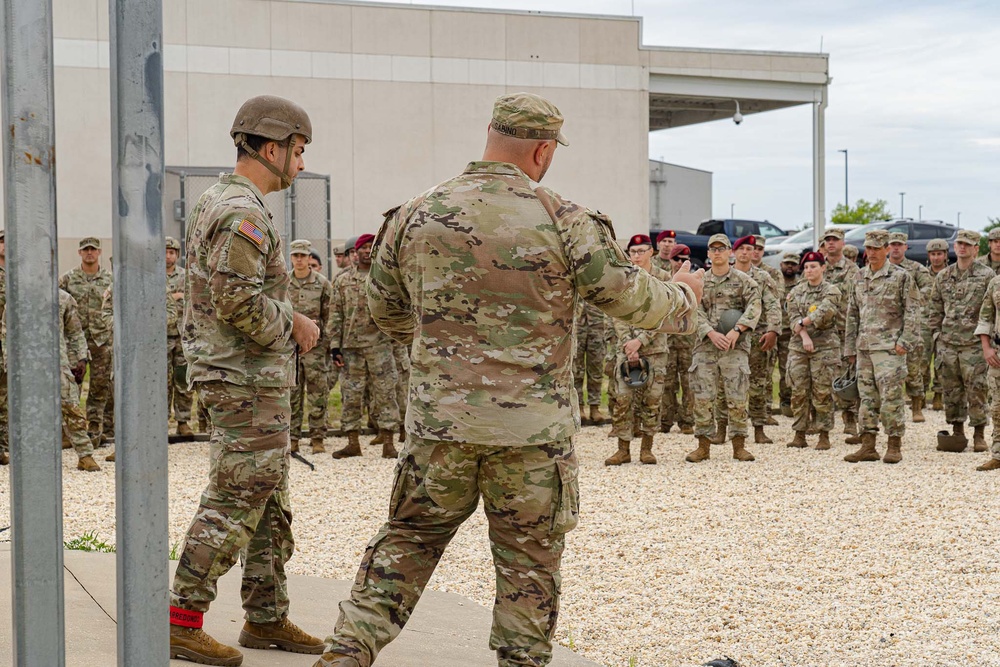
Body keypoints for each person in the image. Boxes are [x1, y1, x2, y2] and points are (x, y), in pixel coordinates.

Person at [313, 92, 702, 667]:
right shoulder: (564, 219)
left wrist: (443, 353)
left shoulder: (415, 214)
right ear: (543, 150)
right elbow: (633, 300)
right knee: (529, 559)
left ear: (490, 136)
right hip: (530, 434)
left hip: (440, 425)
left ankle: (348, 651)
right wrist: (685, 297)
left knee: (409, 540)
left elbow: (386, 311)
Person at [168, 95, 324, 665]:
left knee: (268, 499)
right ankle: (180, 618)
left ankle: (265, 617)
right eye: (299, 151)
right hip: (243, 380)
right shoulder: (243, 212)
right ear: (271, 147)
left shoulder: (223, 200)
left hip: (248, 377)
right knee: (237, 498)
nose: (302, 164)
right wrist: (297, 324)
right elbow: (238, 301)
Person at [843, 229, 919, 464]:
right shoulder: (858, 277)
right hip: (864, 348)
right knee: (866, 399)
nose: (872, 253)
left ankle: (894, 444)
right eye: (869, 248)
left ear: (887, 249)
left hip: (889, 349)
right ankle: (868, 445)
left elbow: (913, 311)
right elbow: (852, 314)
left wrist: (905, 342)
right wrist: (850, 348)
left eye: (877, 248)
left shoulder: (901, 276)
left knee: (892, 398)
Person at [686, 233, 761, 463]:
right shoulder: (699, 281)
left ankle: (739, 445)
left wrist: (736, 330)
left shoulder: (744, 281)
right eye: (713, 249)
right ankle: (703, 446)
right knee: (703, 396)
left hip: (734, 347)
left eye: (722, 248)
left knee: (737, 395)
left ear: (730, 252)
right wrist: (710, 332)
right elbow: (692, 309)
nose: (717, 252)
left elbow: (754, 306)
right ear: (708, 254)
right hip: (706, 346)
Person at [327, 233, 401, 459]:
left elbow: (397, 311)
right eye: (363, 248)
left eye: (371, 247)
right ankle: (352, 443)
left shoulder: (385, 279)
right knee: (351, 394)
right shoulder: (341, 280)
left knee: (386, 392)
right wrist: (334, 347)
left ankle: (389, 442)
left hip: (380, 346)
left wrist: (397, 342)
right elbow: (335, 314)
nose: (367, 251)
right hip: (351, 348)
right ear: (355, 252)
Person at [606, 234, 672, 466]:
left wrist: (641, 340)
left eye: (641, 251)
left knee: (652, 400)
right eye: (633, 252)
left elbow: (664, 312)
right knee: (623, 398)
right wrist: (628, 343)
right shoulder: (622, 278)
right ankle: (623, 449)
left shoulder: (663, 278)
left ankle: (647, 448)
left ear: (651, 252)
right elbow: (616, 311)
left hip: (654, 350)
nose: (637, 256)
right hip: (626, 350)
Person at [928, 230, 993, 451]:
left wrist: (989, 342)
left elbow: (992, 310)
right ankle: (957, 431)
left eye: (967, 244)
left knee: (977, 390)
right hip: (948, 344)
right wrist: (937, 337)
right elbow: (935, 309)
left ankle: (979, 434)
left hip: (973, 345)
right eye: (959, 244)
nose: (962, 247)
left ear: (976, 249)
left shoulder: (987, 276)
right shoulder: (943, 276)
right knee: (951, 391)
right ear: (954, 248)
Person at [59, 237, 114, 445]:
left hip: (101, 341)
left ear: (99, 252)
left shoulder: (109, 279)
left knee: (99, 388)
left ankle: (94, 430)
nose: (89, 253)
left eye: (93, 249)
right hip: (75, 342)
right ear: (79, 253)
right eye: (85, 250)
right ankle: (69, 432)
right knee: (72, 388)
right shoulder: (68, 279)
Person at [784, 252, 841, 449]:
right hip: (800, 346)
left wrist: (802, 322)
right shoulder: (796, 292)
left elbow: (824, 312)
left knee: (822, 390)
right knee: (798, 390)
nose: (809, 271)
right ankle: (799, 434)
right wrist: (804, 334)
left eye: (814, 266)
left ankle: (824, 434)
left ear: (823, 268)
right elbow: (791, 317)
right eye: (806, 267)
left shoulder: (832, 290)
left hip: (825, 346)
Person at [288, 239, 333, 454]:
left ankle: (317, 438)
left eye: (302, 256)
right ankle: (292, 438)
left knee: (318, 394)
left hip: (315, 349)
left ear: (309, 258)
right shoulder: (283, 283)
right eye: (295, 255)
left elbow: (329, 316)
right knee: (292, 395)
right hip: (290, 349)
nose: (299, 259)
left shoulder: (323, 284)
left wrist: (325, 342)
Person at [737, 236, 781, 443]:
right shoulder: (725, 275)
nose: (746, 252)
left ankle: (758, 428)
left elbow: (773, 304)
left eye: (749, 249)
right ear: (733, 252)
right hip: (730, 337)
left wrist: (773, 330)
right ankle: (723, 427)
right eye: (741, 249)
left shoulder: (763, 277)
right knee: (726, 384)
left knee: (758, 384)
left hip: (757, 336)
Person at [887, 231, 933, 422]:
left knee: (914, 368)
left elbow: (928, 289)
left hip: (911, 325)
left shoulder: (916, 269)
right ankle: (888, 408)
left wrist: (909, 302)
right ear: (887, 247)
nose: (896, 248)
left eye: (900, 244)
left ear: (906, 247)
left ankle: (916, 407)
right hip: (886, 327)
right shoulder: (880, 269)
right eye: (893, 244)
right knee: (887, 370)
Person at [822, 227, 862, 442]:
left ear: (843, 243)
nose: (831, 244)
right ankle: (820, 424)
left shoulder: (853, 270)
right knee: (822, 376)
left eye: (835, 240)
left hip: (845, 331)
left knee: (848, 376)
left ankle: (850, 419)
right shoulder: (818, 267)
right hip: (822, 332)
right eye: (827, 240)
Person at [660, 243, 695, 434]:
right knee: (666, 381)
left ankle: (687, 420)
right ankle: (665, 420)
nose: (680, 263)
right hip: (666, 339)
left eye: (684, 259)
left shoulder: (692, 279)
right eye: (677, 259)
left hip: (687, 340)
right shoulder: (661, 278)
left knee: (688, 381)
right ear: (670, 259)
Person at [165, 236, 194, 436]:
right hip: (161, 336)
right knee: (162, 381)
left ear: (177, 255)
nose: (168, 256)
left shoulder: (186, 277)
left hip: (183, 335)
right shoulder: (151, 277)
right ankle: (161, 420)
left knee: (183, 379)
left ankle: (183, 421)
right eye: (165, 252)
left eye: (172, 252)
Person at [974, 271, 1000, 471]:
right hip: (998, 354)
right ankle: (998, 454)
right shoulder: (996, 282)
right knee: (997, 407)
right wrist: (986, 347)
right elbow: (985, 317)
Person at [574, 298, 609, 425]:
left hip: (598, 325)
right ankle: (579, 407)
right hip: (577, 325)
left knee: (596, 368)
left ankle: (595, 407)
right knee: (576, 369)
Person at [775, 251, 801, 417]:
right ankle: (763, 407)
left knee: (787, 369)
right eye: (787, 263)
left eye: (793, 264)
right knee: (764, 370)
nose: (789, 267)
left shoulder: (801, 286)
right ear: (781, 265)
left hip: (790, 333)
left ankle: (787, 401)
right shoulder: (774, 283)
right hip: (773, 331)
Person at [925, 238, 950, 408]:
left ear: (946, 255)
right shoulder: (922, 275)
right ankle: (919, 395)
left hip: (944, 324)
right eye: (933, 254)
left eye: (939, 254)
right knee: (922, 361)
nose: (936, 258)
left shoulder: (951, 276)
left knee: (942, 361)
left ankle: (938, 395)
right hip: (925, 323)